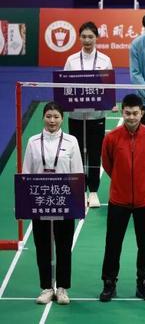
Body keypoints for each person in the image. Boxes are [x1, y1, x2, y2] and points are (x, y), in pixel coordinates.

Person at [99, 94, 145, 302]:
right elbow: (108, 164)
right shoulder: (111, 138)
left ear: (142, 113)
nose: (131, 117)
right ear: (122, 111)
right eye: (127, 113)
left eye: (135, 113)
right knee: (113, 243)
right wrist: (120, 180)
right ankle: (109, 283)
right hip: (118, 200)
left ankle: (143, 283)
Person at [23, 102, 83, 305]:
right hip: (40, 202)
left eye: (56, 116)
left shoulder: (71, 141)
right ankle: (47, 288)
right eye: (48, 116)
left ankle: (63, 288)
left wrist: (78, 202)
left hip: (64, 201)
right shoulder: (33, 142)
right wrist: (25, 201)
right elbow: (26, 173)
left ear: (62, 119)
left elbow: (77, 172)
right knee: (42, 246)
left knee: (64, 246)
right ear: (43, 117)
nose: (52, 120)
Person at [63, 21, 115, 209]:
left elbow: (109, 85)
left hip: (96, 115)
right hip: (76, 115)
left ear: (96, 38)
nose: (87, 40)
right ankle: (78, 190)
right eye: (84, 36)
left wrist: (110, 102)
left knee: (94, 153)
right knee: (76, 152)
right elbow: (64, 85)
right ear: (79, 38)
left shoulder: (105, 60)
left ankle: (93, 191)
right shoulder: (71, 60)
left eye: (90, 37)